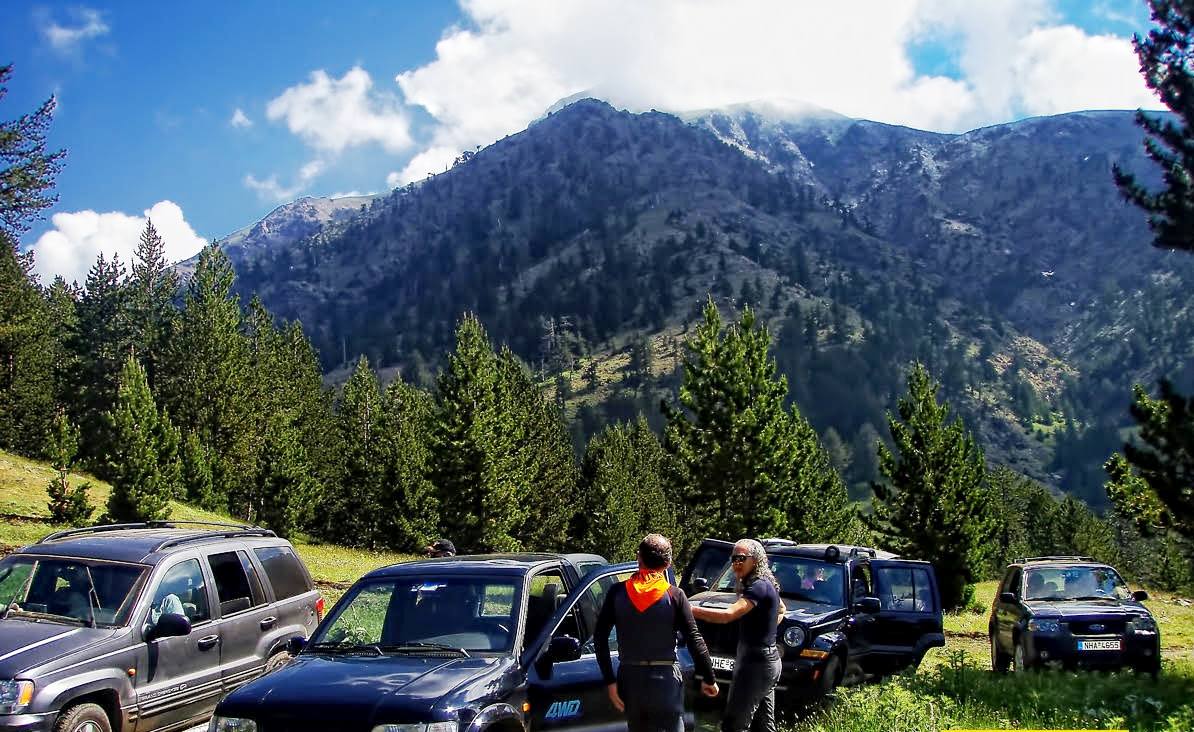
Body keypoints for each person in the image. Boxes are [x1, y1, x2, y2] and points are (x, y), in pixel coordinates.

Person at [594, 534, 719, 732]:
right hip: (665, 679)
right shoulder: (674, 595)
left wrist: (610, 681)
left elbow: (600, 637)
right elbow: (695, 639)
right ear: (668, 563)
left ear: (638, 557)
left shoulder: (617, 592)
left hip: (631, 678)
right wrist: (709, 677)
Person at [691, 539, 785, 732]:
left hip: (757, 664)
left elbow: (728, 615)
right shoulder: (764, 583)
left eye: (741, 558)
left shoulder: (758, 586)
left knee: (734, 725)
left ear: (756, 560)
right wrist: (766, 630)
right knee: (764, 725)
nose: (736, 563)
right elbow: (782, 609)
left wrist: (687, 609)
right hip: (766, 660)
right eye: (733, 558)